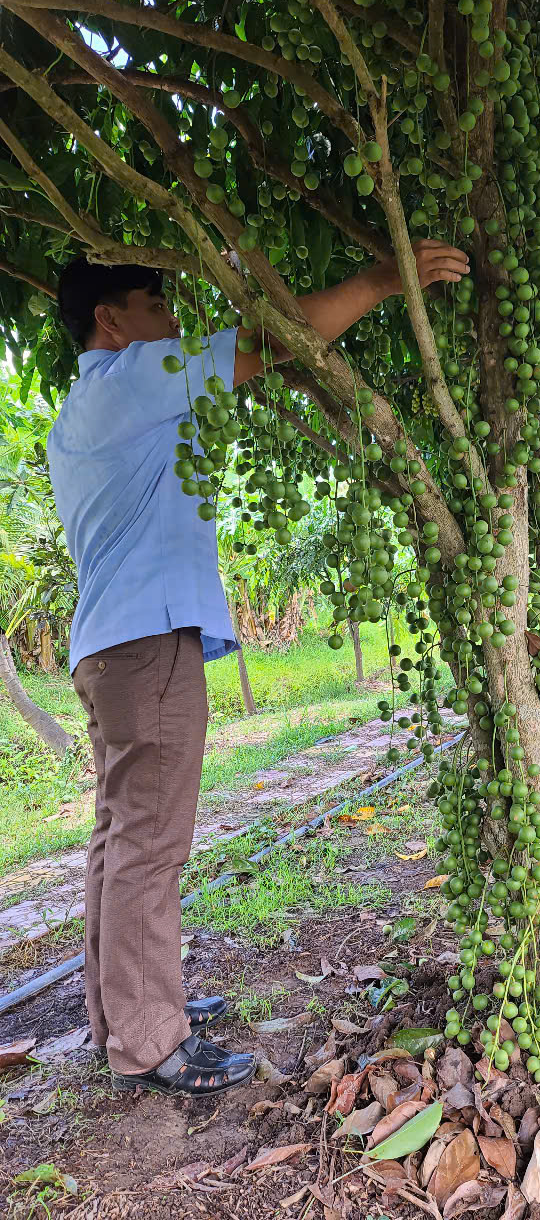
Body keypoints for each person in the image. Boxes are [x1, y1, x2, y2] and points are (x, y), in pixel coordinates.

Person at [47, 240, 469, 1097]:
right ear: (111, 318)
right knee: (149, 846)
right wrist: (385, 279)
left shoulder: (85, 409)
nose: (171, 324)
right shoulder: (130, 379)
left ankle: (121, 1014)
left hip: (112, 647)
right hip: (146, 645)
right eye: (157, 307)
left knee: (119, 838)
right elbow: (267, 341)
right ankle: (148, 1042)